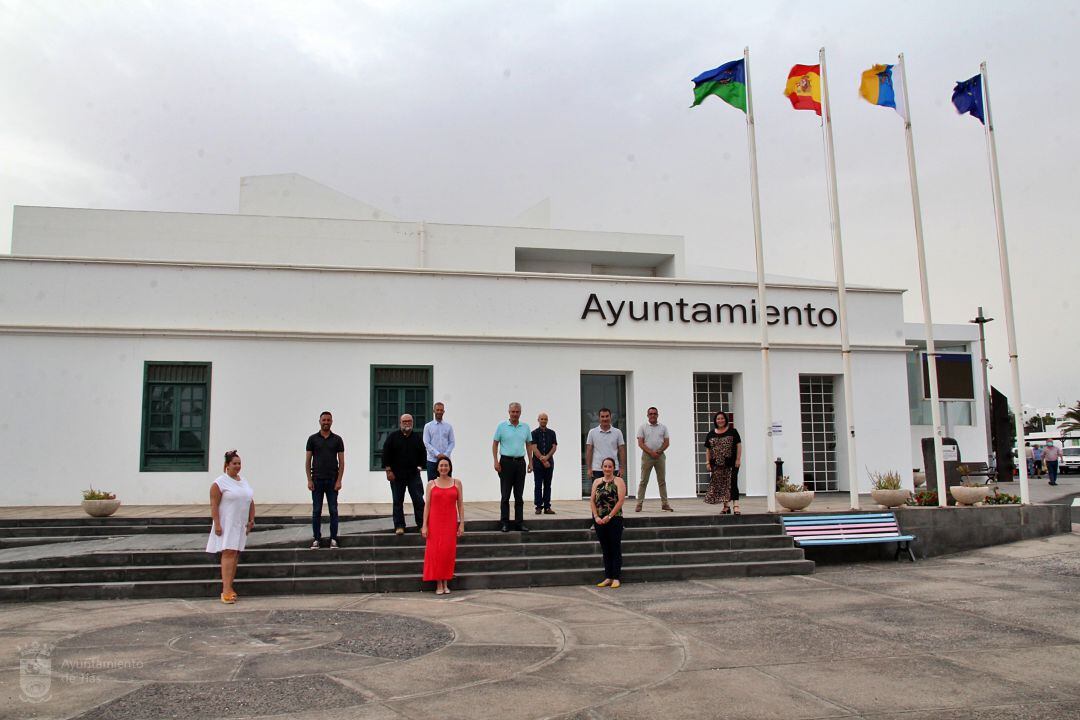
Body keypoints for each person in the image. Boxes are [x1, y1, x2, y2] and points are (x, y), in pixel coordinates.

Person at [207, 449, 255, 604]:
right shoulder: (219, 482)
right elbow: (214, 504)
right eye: (234, 463)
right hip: (226, 523)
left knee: (235, 554)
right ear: (227, 465)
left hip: (239, 524)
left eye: (239, 463)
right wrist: (217, 524)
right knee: (228, 553)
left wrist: (251, 519)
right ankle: (225, 590)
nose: (237, 466)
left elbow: (250, 500)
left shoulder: (243, 481)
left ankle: (230, 587)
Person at [422, 455, 465, 595]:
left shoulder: (457, 483)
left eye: (446, 465)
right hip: (434, 522)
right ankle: (438, 583)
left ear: (450, 467)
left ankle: (446, 581)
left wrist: (461, 524)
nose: (444, 468)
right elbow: (427, 506)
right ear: (437, 468)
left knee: (448, 552)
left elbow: (460, 505)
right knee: (436, 552)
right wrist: (424, 525)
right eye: (441, 465)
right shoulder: (431, 484)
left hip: (450, 522)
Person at [492, 402, 535, 532]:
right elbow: (495, 444)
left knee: (519, 495)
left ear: (520, 413)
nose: (515, 414)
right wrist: (495, 461)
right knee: (505, 495)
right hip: (505, 463)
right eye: (513, 412)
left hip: (520, 463)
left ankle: (519, 523)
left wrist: (530, 462)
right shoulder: (502, 426)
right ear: (509, 412)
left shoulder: (525, 427)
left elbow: (529, 445)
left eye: (517, 412)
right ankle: (504, 523)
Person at [305, 411, 344, 549]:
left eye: (328, 420)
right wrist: (309, 480)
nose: (326, 422)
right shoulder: (312, 439)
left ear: (331, 421)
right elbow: (308, 461)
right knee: (316, 511)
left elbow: (342, 462)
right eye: (324, 420)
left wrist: (339, 480)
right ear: (319, 421)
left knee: (333, 510)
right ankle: (316, 539)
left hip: (332, 480)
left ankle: (333, 538)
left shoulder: (337, 439)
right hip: (317, 480)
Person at [382, 414, 427, 535]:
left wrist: (420, 466)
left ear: (412, 423)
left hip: (413, 475)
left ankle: (422, 525)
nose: (407, 423)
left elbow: (423, 453)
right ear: (400, 422)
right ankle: (399, 526)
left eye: (409, 421)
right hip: (396, 476)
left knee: (418, 501)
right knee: (397, 501)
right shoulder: (392, 437)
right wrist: (388, 470)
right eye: (404, 421)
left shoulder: (417, 437)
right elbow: (386, 454)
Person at [590, 457, 627, 589]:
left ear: (613, 468)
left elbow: (620, 501)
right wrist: (596, 517)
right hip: (599, 520)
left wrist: (610, 516)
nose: (607, 469)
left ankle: (616, 577)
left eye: (609, 466)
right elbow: (592, 500)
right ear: (602, 468)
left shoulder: (619, 481)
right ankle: (608, 577)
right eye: (605, 466)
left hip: (614, 519)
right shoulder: (597, 482)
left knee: (615, 548)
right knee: (605, 549)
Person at [703, 411, 742, 514]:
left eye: (722, 418)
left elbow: (738, 445)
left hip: (732, 463)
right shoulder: (710, 434)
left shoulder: (733, 431)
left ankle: (736, 505)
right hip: (717, 464)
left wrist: (738, 459)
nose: (720, 420)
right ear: (715, 421)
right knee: (722, 485)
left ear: (725, 419)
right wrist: (707, 463)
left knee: (733, 482)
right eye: (718, 419)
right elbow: (708, 449)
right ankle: (726, 506)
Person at [635, 406, 672, 512]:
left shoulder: (663, 427)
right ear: (647, 415)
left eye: (654, 413)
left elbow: (667, 442)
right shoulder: (643, 427)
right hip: (647, 456)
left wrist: (658, 452)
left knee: (662, 481)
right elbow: (640, 443)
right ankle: (639, 504)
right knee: (643, 480)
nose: (652, 415)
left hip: (660, 456)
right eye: (650, 414)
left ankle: (665, 504)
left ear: (657, 415)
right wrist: (651, 452)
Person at [585, 408, 626, 480]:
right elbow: (589, 450)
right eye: (602, 416)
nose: (605, 419)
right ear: (599, 418)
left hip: (613, 469)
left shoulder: (617, 432)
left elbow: (622, 451)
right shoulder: (592, 432)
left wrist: (622, 468)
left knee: (613, 491)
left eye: (607, 416)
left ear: (610, 417)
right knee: (598, 491)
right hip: (597, 469)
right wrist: (589, 468)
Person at [532, 412, 558, 515]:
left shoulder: (552, 433)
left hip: (549, 463)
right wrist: (543, 460)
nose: (543, 420)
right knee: (538, 485)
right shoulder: (533, 433)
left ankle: (547, 507)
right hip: (537, 464)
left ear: (547, 420)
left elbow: (554, 446)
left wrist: (547, 458)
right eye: (541, 419)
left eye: (545, 419)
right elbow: (534, 448)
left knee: (548, 485)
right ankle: (538, 507)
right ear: (538, 420)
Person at [422, 402, 456, 481]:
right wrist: (437, 454)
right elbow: (426, 442)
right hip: (432, 460)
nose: (439, 412)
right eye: (437, 410)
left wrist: (445, 454)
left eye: (441, 410)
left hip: (446, 461)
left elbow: (452, 442)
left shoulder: (448, 426)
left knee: (447, 483)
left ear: (444, 411)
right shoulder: (428, 426)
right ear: (434, 411)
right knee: (432, 484)